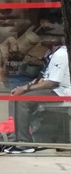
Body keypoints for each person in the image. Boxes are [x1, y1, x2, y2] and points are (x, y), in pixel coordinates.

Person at [5, 23, 71, 154]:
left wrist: (25, 89)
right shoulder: (50, 54)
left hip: (61, 92)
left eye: (46, 35)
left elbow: (51, 83)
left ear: (54, 39)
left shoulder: (61, 54)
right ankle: (15, 139)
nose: (41, 38)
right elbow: (41, 77)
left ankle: (24, 143)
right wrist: (23, 88)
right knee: (15, 97)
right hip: (54, 89)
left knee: (22, 101)